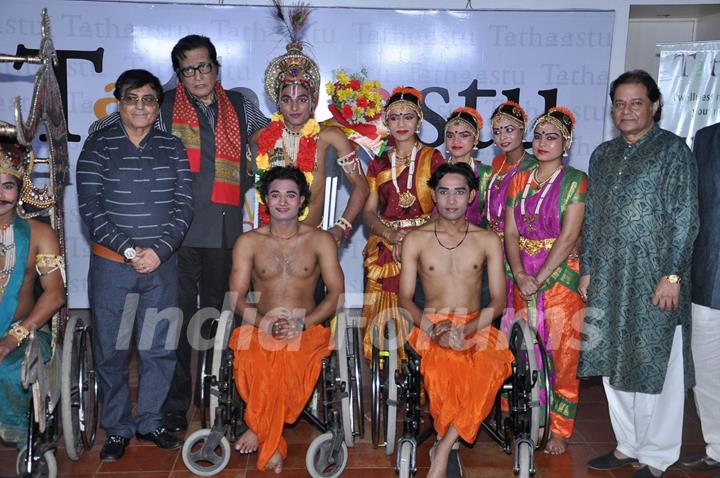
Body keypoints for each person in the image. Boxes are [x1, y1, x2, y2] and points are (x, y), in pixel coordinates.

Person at [90, 35, 268, 432]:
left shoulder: (242, 105)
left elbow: (273, 139)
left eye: (204, 66)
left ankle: (227, 403)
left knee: (225, 320)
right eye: (188, 69)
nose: (198, 75)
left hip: (225, 232)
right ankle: (175, 407)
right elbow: (105, 125)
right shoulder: (160, 105)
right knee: (176, 324)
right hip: (176, 237)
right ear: (178, 75)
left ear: (216, 67)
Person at [579, 70, 698, 478]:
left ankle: (658, 454)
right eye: (619, 103)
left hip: (655, 279)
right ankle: (627, 444)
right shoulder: (603, 154)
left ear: (655, 105)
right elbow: (592, 216)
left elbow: (686, 218)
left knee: (656, 364)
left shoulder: (673, 151)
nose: (626, 111)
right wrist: (588, 269)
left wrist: (673, 275)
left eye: (635, 103)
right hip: (609, 278)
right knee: (613, 362)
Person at [77, 69, 194, 460]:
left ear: (157, 105)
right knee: (111, 350)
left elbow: (184, 206)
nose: (140, 106)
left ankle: (149, 420)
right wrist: (130, 251)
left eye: (148, 99)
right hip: (112, 266)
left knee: (159, 347)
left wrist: (158, 251)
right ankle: (117, 428)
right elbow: (90, 210)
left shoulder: (173, 146)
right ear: (120, 103)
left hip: (162, 265)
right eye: (132, 98)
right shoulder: (98, 146)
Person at [398, 162, 514, 478]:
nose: (451, 200)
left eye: (459, 192)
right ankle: (447, 444)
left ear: (471, 196)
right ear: (433, 195)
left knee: (491, 365)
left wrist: (466, 329)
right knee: (442, 367)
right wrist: (435, 330)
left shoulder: (488, 240)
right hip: (429, 324)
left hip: (476, 324)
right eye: (444, 192)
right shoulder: (416, 239)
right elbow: (405, 299)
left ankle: (444, 446)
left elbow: (500, 302)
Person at [227, 166, 343, 473]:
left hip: (307, 327)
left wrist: (301, 324)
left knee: (290, 361)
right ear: (265, 199)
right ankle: (271, 438)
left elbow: (335, 295)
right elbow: (236, 297)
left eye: (290, 195)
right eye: (275, 195)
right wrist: (265, 323)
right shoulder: (247, 242)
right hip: (260, 324)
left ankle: (262, 430)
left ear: (302, 200)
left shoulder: (320, 240)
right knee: (254, 358)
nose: (282, 202)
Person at [504, 107, 587, 455]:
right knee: (518, 350)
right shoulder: (519, 179)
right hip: (520, 275)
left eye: (551, 137)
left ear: (565, 143)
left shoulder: (575, 180)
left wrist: (538, 277)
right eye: (538, 136)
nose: (542, 143)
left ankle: (559, 429)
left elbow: (569, 237)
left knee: (561, 354)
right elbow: (509, 230)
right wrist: (521, 273)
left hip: (558, 278)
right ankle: (519, 416)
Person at [255, 37, 368, 244]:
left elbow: (361, 185)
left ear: (313, 101)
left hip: (310, 244)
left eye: (302, 99)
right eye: (287, 100)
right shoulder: (263, 137)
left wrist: (341, 227)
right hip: (268, 243)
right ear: (278, 103)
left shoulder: (329, 137)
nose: (295, 107)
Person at [361, 86, 446, 359]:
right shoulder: (378, 163)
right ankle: (387, 374)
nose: (401, 123)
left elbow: (443, 207)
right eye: (394, 117)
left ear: (419, 121)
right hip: (387, 244)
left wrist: (412, 239)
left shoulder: (433, 158)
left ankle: (424, 368)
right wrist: (393, 236)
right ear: (386, 122)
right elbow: (368, 212)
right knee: (386, 320)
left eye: (408, 117)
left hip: (426, 244)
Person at [0, 142, 65, 445]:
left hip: (23, 330)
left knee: (14, 373)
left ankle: (19, 433)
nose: (1, 194)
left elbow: (55, 295)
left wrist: (13, 338)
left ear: (21, 189)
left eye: (7, 186)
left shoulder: (40, 234)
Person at [678, 120, 720, 474]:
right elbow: (689, 208)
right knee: (706, 372)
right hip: (708, 276)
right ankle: (718, 447)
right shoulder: (707, 139)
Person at [485, 101, 537, 333]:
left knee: (512, 310)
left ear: (522, 131)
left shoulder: (533, 167)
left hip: (515, 247)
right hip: (490, 245)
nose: (502, 137)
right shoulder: (497, 163)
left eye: (509, 129)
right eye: (497, 132)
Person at [444, 107, 492, 226]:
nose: (456, 141)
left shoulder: (486, 174)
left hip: (476, 240)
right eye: (450, 135)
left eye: (464, 135)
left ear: (476, 139)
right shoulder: (437, 170)